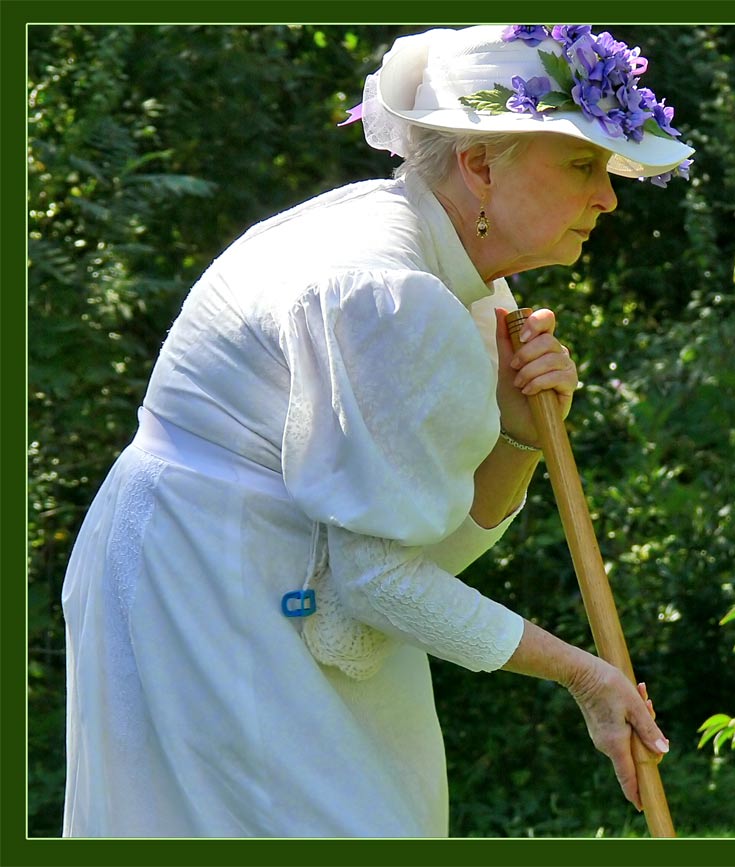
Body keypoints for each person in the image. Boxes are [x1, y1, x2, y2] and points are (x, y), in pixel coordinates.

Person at [61, 24, 694, 837]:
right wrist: (584, 675)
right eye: (581, 165)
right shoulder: (390, 290)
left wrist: (519, 438)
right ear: (478, 166)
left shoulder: (466, 287)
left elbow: (415, 558)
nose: (607, 196)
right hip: (203, 581)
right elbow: (375, 583)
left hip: (274, 580)